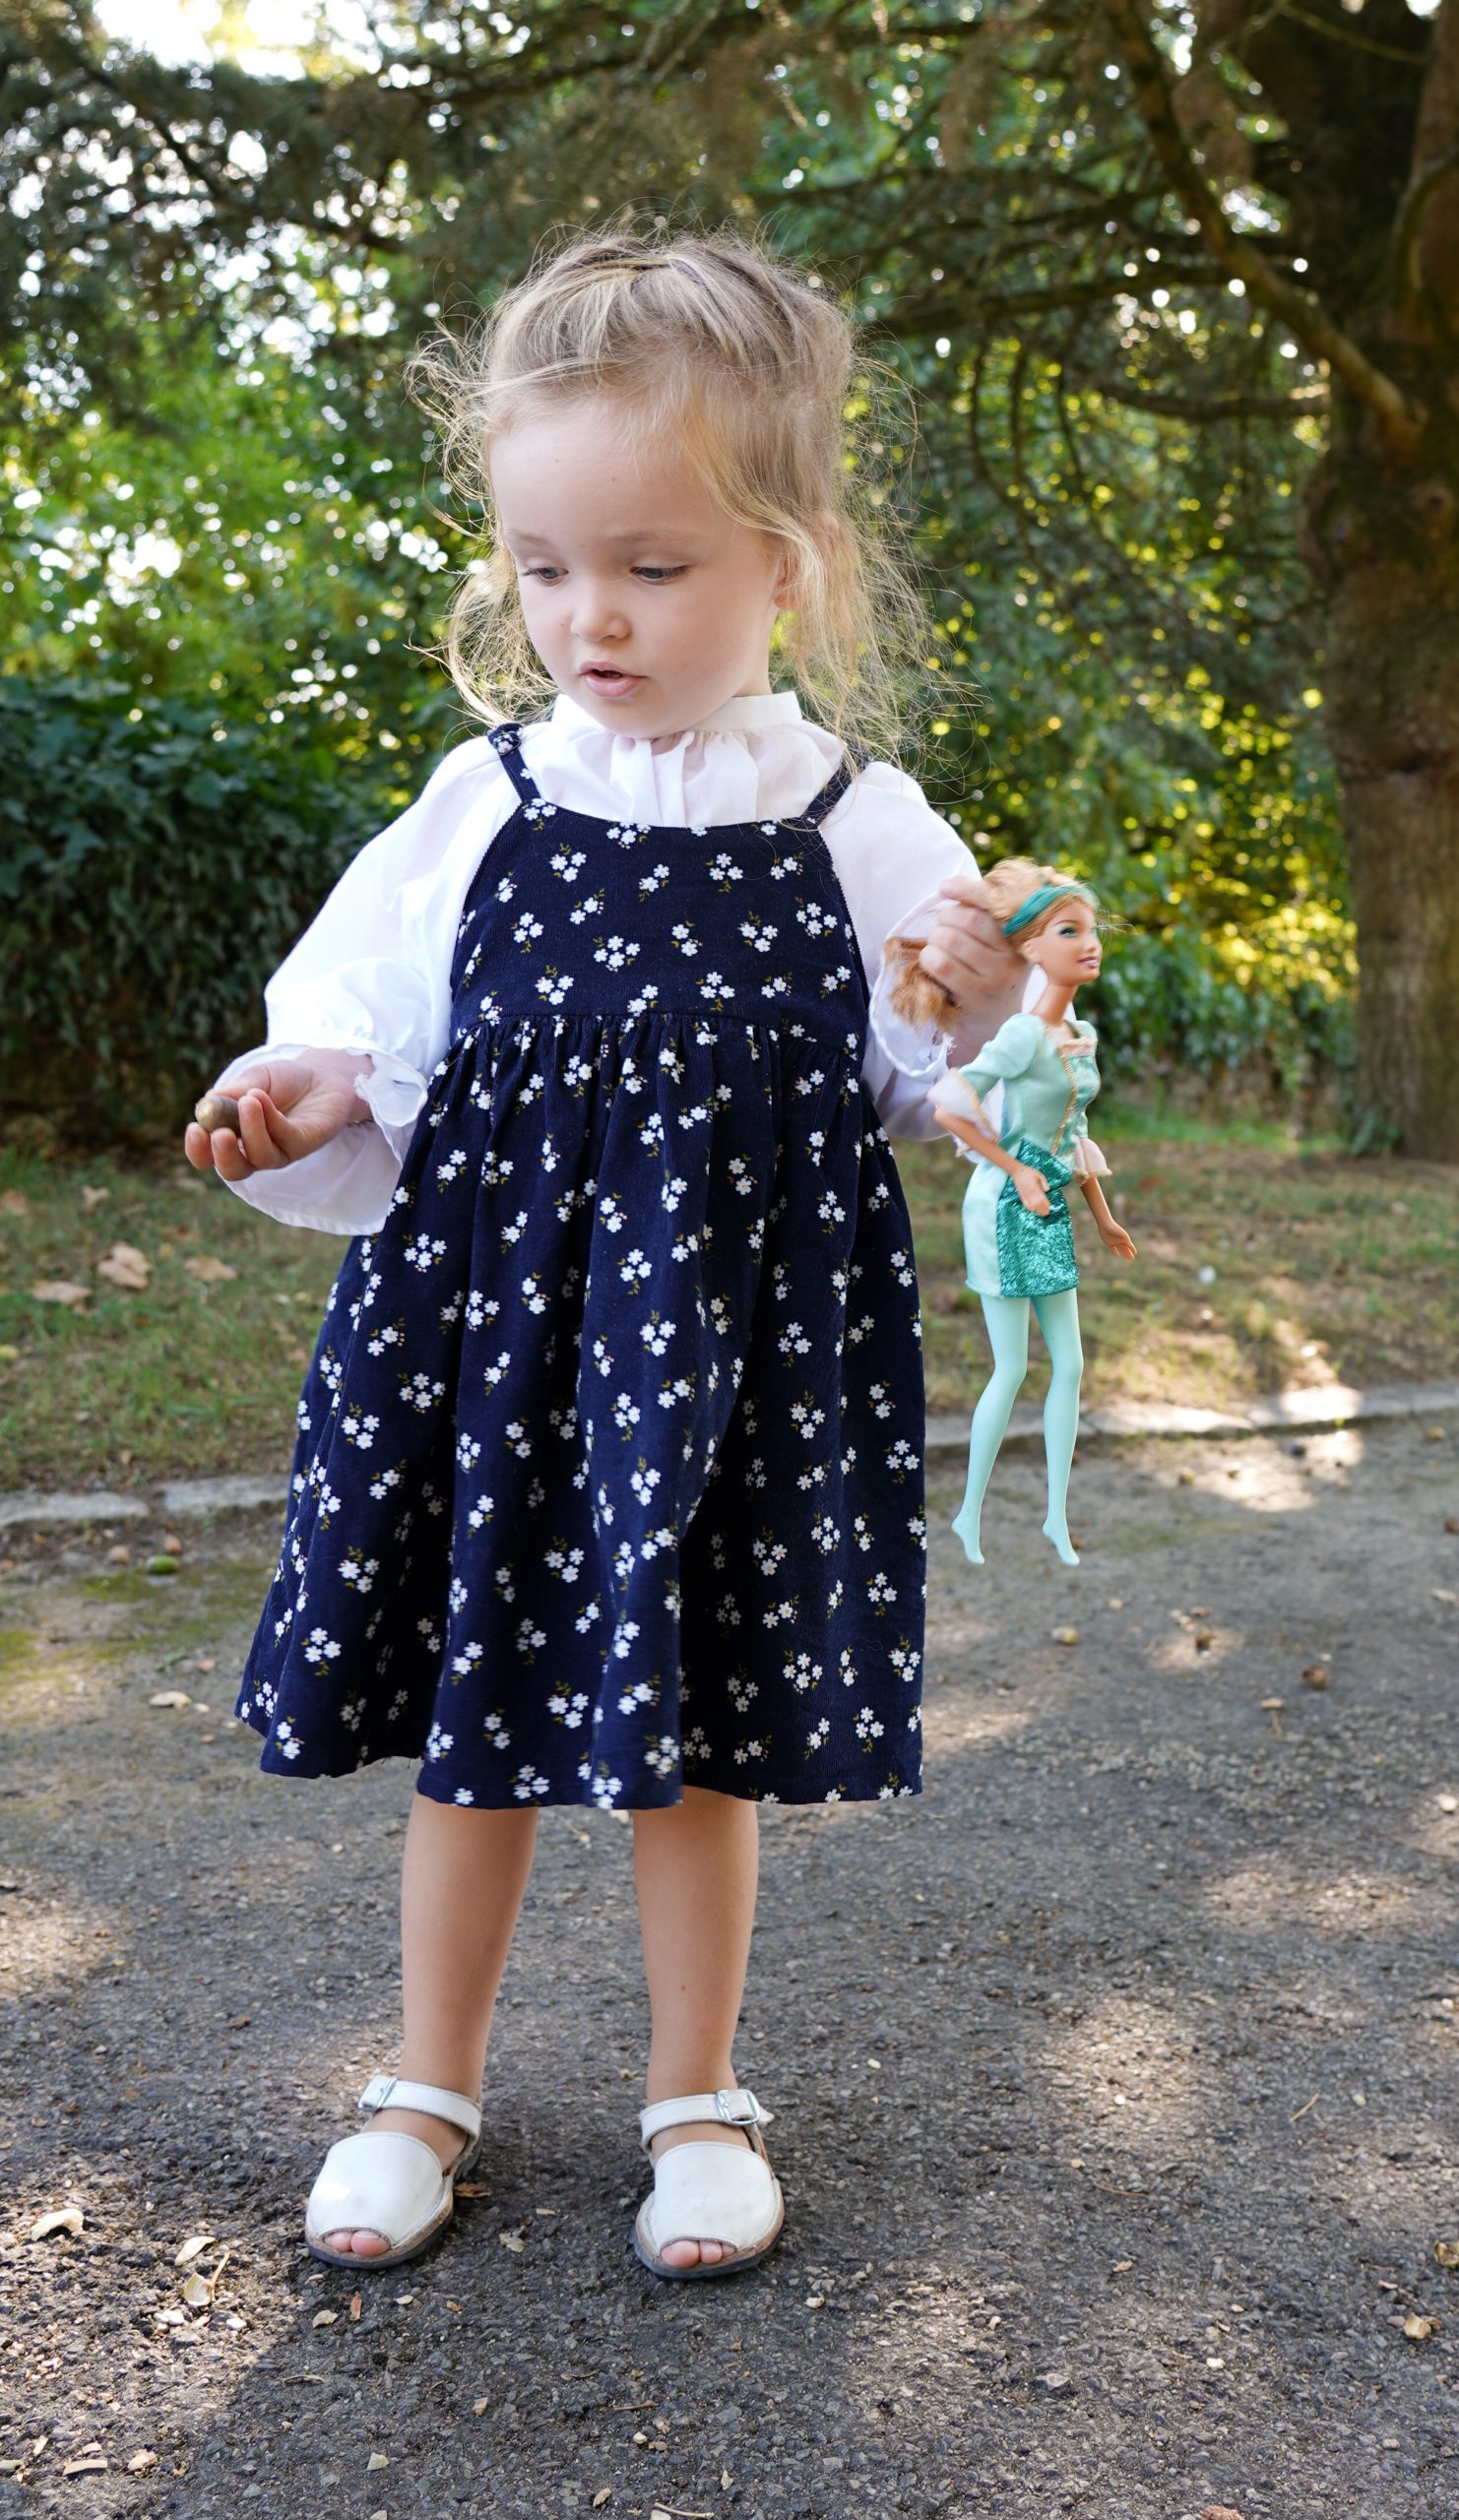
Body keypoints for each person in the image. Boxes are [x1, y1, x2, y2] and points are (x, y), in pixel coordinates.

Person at [186, 227, 1029, 2281]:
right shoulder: (480, 803)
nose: (590, 615)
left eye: (650, 566)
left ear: (786, 561)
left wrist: (982, 988)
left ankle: (694, 2093)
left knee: (696, 1733)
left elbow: (944, 1059)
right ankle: (423, 2079)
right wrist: (297, 1089)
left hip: (727, 1360)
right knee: (479, 1719)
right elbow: (363, 1029)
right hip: (496, 1345)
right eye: (545, 565)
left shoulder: (851, 813)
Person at [886, 862, 1139, 1567]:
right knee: (1012, 1368)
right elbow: (952, 1105)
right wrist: (1016, 1168)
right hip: (1004, 1205)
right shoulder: (1025, 1036)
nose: (1089, 943)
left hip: (1052, 1201)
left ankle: (1055, 1517)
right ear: (1030, 949)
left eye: (1090, 930)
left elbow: (1074, 1132)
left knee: (1073, 1364)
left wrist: (1103, 1213)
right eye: (1069, 931)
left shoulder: (1076, 1032)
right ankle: (969, 1514)